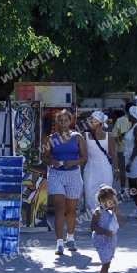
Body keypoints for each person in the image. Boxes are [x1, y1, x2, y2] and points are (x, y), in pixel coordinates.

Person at [41, 109, 88, 255]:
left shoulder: (78, 137)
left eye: (65, 121)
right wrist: (52, 162)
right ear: (57, 122)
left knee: (71, 210)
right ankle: (59, 242)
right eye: (60, 121)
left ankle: (71, 238)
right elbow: (44, 158)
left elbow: (84, 157)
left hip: (73, 175)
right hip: (56, 175)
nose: (63, 123)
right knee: (59, 208)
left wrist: (73, 162)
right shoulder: (51, 138)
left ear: (70, 121)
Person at [83, 111, 119, 211]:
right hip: (90, 167)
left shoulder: (109, 136)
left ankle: (106, 215)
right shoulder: (84, 136)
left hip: (105, 167)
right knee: (89, 192)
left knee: (106, 193)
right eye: (90, 120)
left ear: (99, 122)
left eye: (93, 120)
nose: (90, 122)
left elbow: (113, 154)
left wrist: (116, 170)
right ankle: (94, 215)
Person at [90, 184, 122, 273]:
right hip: (100, 240)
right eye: (110, 201)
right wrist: (104, 231)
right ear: (101, 200)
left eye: (114, 201)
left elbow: (119, 224)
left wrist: (117, 211)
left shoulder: (112, 212)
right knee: (105, 263)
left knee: (107, 263)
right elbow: (92, 226)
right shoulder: (98, 212)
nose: (112, 203)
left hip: (111, 240)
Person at [112, 102, 134, 199]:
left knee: (122, 171)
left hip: (122, 149)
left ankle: (123, 190)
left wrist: (120, 137)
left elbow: (114, 135)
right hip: (134, 150)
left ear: (125, 110)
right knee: (133, 171)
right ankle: (132, 191)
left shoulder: (119, 121)